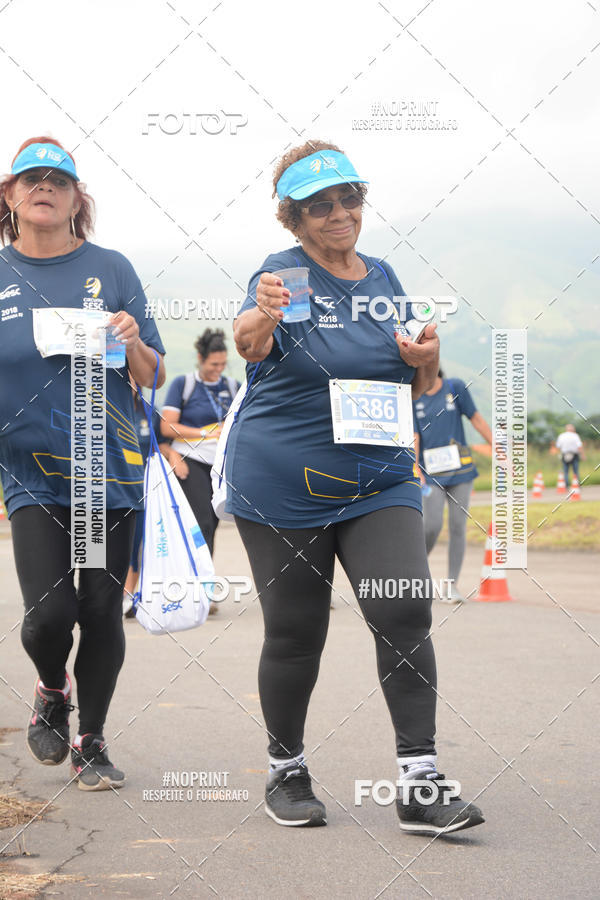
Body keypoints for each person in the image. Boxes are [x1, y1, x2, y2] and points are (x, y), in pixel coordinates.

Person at [227, 141, 484, 835]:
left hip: (378, 477)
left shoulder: (384, 277)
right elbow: (249, 341)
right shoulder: (280, 276)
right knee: (296, 631)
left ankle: (420, 780)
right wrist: (263, 316)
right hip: (284, 482)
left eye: (350, 198)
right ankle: (287, 768)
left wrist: (428, 361)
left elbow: (418, 380)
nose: (341, 214)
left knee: (403, 611)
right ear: (295, 218)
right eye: (321, 205)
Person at [0, 137, 165, 790]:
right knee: (48, 614)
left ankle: (91, 739)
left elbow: (151, 374)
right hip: (30, 474)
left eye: (59, 181)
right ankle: (49, 688)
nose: (45, 187)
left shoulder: (112, 269)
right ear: (10, 195)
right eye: (31, 179)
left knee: (98, 609)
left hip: (104, 476)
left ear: (77, 199)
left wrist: (132, 340)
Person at [413, 369, 492, 604]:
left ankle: (451, 585)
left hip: (462, 471)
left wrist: (497, 446)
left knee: (458, 527)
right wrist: (415, 468)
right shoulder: (414, 397)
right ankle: (415, 574)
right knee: (431, 526)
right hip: (432, 474)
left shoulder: (454, 387)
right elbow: (415, 436)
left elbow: (476, 418)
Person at [160, 329, 239, 560]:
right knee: (200, 521)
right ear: (200, 359)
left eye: (223, 364)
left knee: (213, 523)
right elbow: (167, 427)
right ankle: (198, 584)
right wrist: (205, 432)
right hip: (191, 460)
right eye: (213, 364)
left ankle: (203, 579)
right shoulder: (183, 384)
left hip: (221, 465)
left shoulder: (233, 386)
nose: (218, 369)